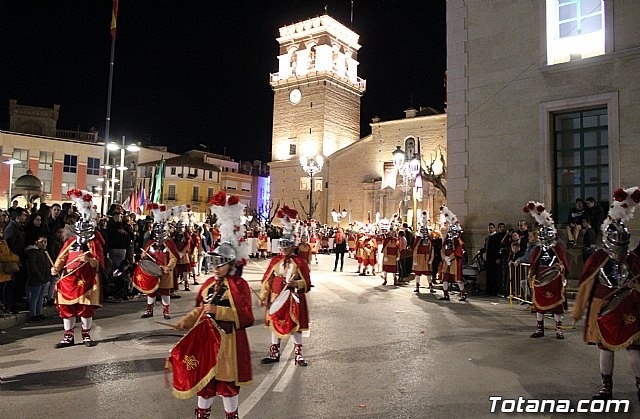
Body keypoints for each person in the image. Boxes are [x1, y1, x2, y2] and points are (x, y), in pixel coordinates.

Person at [174, 192, 254, 419]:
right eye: (215, 263)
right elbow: (201, 308)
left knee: (227, 385)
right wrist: (186, 321)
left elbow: (246, 317)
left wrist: (218, 310)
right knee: (205, 383)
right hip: (208, 342)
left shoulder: (240, 286)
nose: (216, 268)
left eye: (221, 264)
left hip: (228, 343)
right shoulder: (209, 284)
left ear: (230, 264)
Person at [572, 186, 640, 401]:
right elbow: (586, 283)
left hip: (610, 306)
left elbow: (586, 284)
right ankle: (619, 388)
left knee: (618, 349)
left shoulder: (602, 256)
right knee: (628, 349)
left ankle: (608, 389)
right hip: (616, 307)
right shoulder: (631, 259)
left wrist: (579, 311)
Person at [259, 205, 312, 367]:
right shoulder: (275, 261)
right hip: (276, 298)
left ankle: (298, 355)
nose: (282, 249)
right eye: (281, 246)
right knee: (275, 324)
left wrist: (295, 283)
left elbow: (307, 284)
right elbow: (267, 280)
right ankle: (274, 353)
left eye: (285, 246)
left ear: (291, 246)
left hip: (292, 299)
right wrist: (263, 297)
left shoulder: (299, 262)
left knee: (295, 327)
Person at [51, 189, 105, 348]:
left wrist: (89, 259)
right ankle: (68, 337)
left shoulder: (94, 243)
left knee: (85, 308)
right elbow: (62, 257)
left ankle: (86, 335)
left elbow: (98, 264)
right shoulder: (71, 241)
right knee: (66, 308)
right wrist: (55, 268)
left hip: (86, 280)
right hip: (69, 279)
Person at [523, 201, 569, 339]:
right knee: (539, 306)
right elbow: (534, 264)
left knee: (557, 307)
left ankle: (558, 330)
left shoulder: (558, 248)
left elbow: (564, 263)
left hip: (555, 279)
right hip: (540, 279)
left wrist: (560, 268)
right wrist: (531, 274)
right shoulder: (537, 249)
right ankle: (540, 329)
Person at [139, 204, 179, 320]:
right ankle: (149, 311)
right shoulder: (151, 243)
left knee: (165, 292)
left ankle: (166, 312)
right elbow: (144, 256)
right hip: (153, 272)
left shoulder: (169, 244)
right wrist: (143, 255)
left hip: (165, 272)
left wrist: (169, 267)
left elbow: (174, 258)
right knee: (151, 292)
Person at [438, 206, 466, 301]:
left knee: (458, 278)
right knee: (445, 277)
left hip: (455, 260)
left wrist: (451, 257)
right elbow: (442, 248)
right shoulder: (447, 239)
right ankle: (446, 294)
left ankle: (463, 294)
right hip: (446, 259)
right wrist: (444, 257)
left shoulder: (458, 239)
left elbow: (459, 249)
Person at [25, 233, 51, 322]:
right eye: (41, 242)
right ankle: (33, 314)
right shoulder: (32, 252)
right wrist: (39, 276)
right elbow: (33, 266)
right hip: (35, 279)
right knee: (34, 297)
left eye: (45, 242)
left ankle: (39, 312)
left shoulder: (43, 252)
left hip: (43, 278)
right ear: (36, 242)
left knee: (41, 297)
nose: (44, 244)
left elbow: (47, 265)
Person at [412, 211, 435, 293]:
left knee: (428, 273)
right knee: (418, 273)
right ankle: (417, 286)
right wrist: (414, 260)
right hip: (419, 257)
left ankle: (431, 286)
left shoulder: (429, 240)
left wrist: (431, 259)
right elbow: (415, 249)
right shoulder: (418, 239)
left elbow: (431, 249)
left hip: (426, 257)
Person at [483, 222, 502, 296]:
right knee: (489, 274)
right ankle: (489, 290)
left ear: (494, 228)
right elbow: (486, 246)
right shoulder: (488, 237)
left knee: (495, 275)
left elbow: (498, 247)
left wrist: (498, 257)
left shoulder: (497, 236)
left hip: (494, 258)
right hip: (488, 258)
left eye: (491, 227)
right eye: (489, 228)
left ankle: (495, 290)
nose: (490, 229)